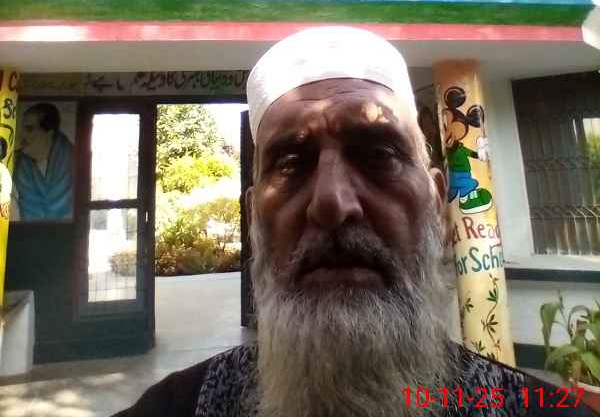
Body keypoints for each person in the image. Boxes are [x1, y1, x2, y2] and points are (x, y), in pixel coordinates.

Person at [112, 27, 596, 417]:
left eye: (378, 154)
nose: (331, 203)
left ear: (437, 204)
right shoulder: (177, 407)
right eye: (291, 163)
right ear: (254, 217)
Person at [13, 102, 73, 221]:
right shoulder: (17, 163)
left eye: (29, 129)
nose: (21, 136)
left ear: (49, 133)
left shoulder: (73, 160)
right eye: (22, 129)